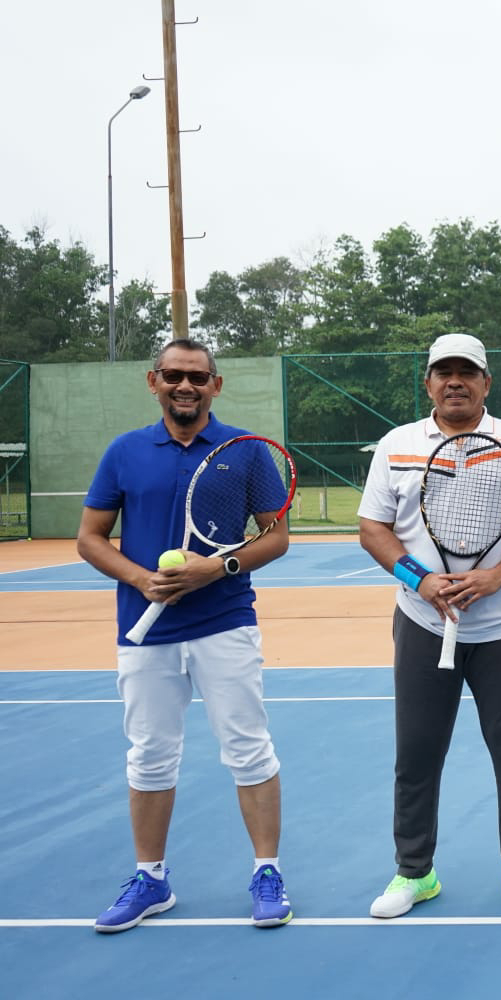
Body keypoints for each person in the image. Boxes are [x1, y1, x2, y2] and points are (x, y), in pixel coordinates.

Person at [78, 338, 293, 933]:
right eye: (173, 375)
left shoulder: (244, 451)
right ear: (154, 381)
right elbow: (90, 537)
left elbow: (274, 536)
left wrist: (215, 568)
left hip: (225, 624)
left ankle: (266, 872)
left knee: (249, 749)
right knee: (149, 756)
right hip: (143, 635)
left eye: (197, 377)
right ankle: (151, 878)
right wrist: (140, 578)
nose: (185, 386)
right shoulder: (124, 452)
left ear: (214, 386)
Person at [357, 332, 501, 919]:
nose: (455, 382)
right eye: (443, 372)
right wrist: (419, 579)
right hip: (422, 621)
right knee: (417, 754)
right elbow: (374, 528)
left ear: (485, 383)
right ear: (428, 383)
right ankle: (414, 873)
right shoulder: (397, 446)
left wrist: (496, 577)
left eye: (466, 373)